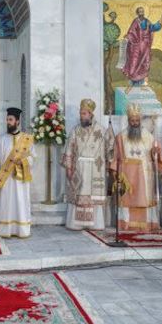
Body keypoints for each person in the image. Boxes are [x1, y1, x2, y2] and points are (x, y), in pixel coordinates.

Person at [110, 104, 162, 231]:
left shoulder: (149, 136)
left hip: (145, 176)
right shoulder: (120, 137)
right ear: (128, 121)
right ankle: (126, 223)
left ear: (140, 121)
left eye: (137, 121)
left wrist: (155, 152)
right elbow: (115, 157)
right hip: (127, 176)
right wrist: (114, 173)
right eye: (132, 121)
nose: (135, 123)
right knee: (128, 199)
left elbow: (156, 156)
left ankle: (146, 224)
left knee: (144, 199)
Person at [61, 99, 107, 230]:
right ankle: (76, 224)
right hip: (79, 169)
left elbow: (109, 149)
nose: (82, 116)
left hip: (96, 170)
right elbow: (69, 150)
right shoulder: (75, 130)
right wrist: (68, 168)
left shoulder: (102, 131)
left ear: (91, 114)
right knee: (78, 194)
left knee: (94, 197)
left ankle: (95, 224)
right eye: (81, 113)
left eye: (84, 113)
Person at [0, 107, 35, 238]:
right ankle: (6, 230)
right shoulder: (2, 139)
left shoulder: (27, 139)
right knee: (6, 203)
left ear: (17, 121)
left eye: (10, 120)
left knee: (21, 202)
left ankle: (22, 230)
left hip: (20, 179)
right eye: (7, 120)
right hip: (6, 178)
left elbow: (32, 157)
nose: (8, 122)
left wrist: (23, 161)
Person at [122, 7, 162, 89]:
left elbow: (154, 27)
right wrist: (128, 37)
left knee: (145, 63)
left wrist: (161, 19)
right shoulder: (135, 21)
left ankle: (144, 84)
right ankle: (131, 83)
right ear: (137, 13)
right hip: (136, 47)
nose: (142, 13)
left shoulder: (147, 21)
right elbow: (131, 32)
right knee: (134, 63)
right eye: (140, 11)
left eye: (143, 11)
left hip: (145, 46)